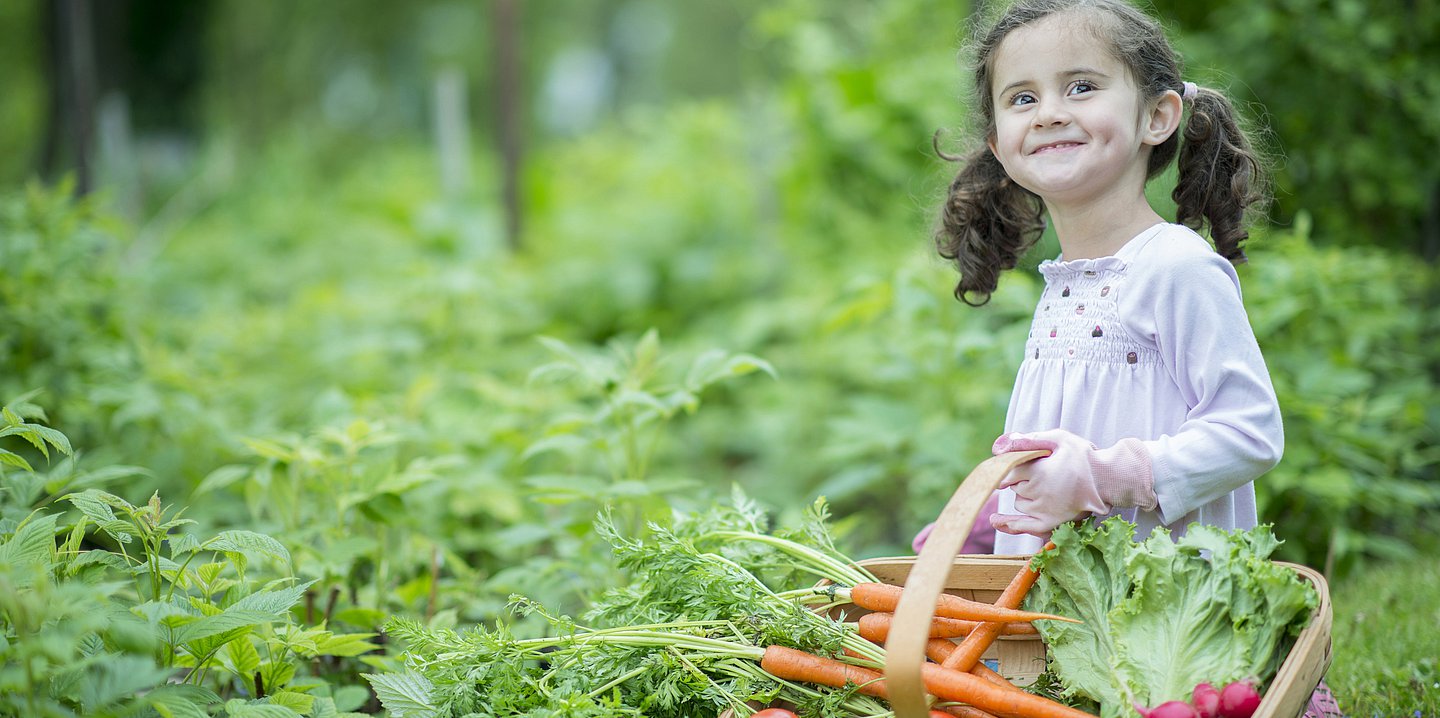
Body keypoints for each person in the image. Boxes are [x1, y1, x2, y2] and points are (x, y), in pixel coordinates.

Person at [914, 1, 1341, 714]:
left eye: (1081, 86)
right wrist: (996, 516)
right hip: (1071, 634)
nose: (1049, 111)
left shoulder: (1176, 267)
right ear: (997, 140)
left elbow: (1251, 431)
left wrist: (1106, 475)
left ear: (1158, 117)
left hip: (1171, 628)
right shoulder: (1062, 289)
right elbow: (1066, 433)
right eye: (1023, 97)